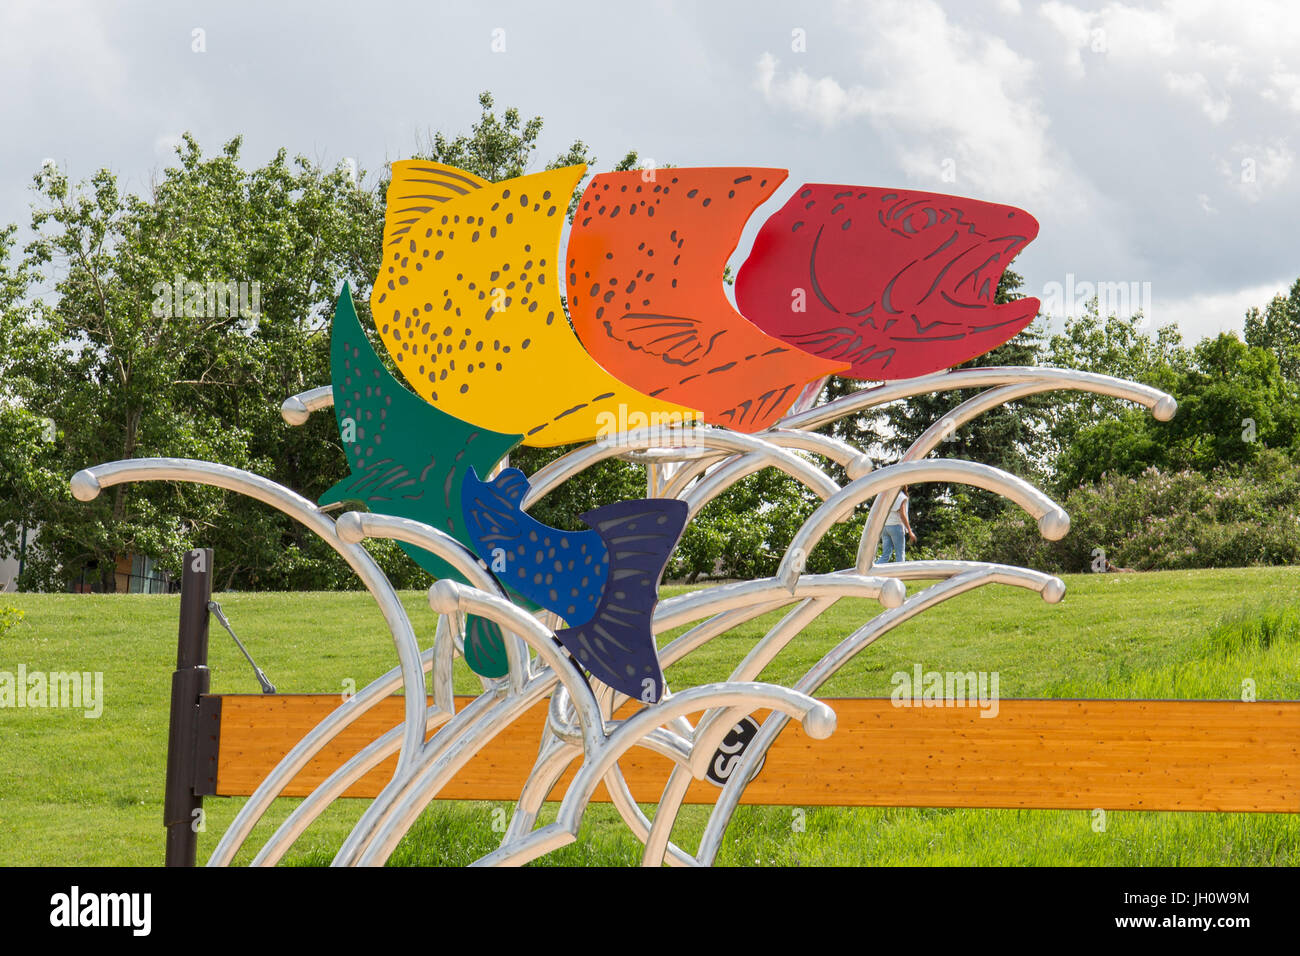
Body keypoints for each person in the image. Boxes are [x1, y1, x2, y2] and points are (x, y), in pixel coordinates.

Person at [880, 486, 917, 563]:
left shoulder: (888, 495)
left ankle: (872, 573)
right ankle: (900, 575)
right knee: (900, 555)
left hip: (885, 526)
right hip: (896, 526)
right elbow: (902, 515)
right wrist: (910, 531)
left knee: (885, 556)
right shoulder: (901, 496)